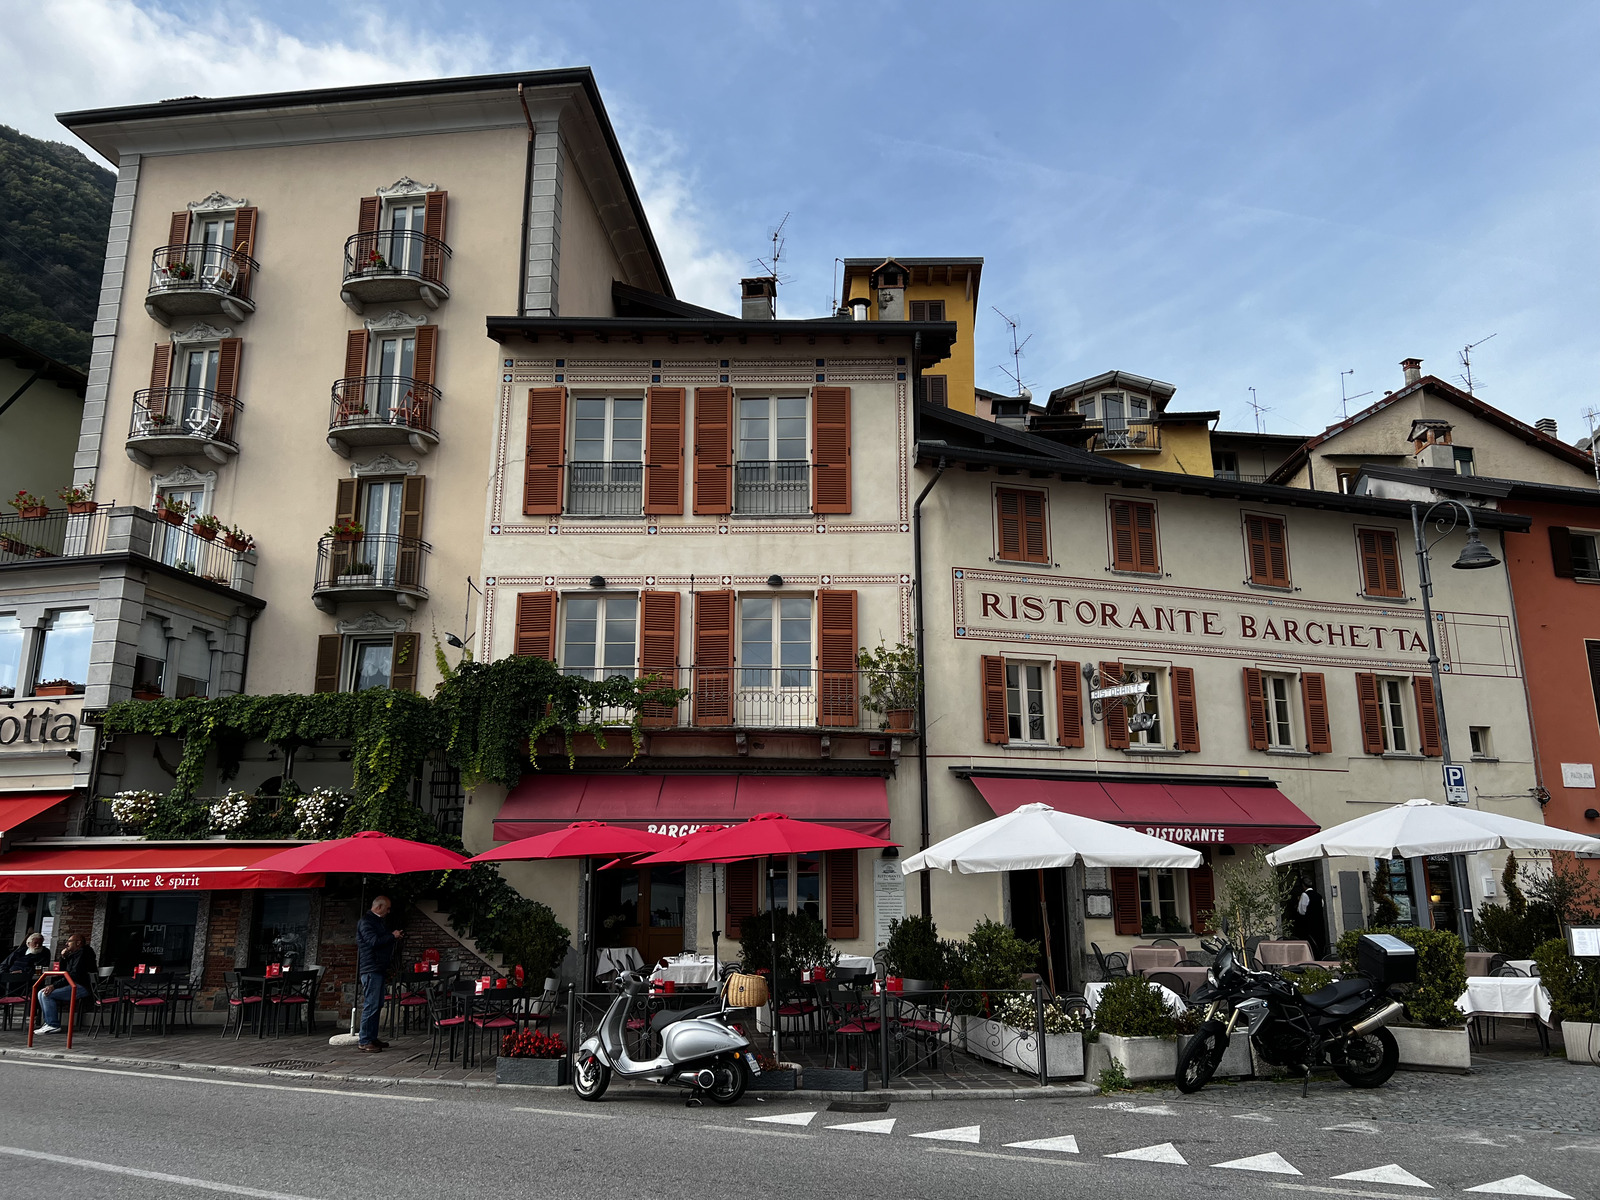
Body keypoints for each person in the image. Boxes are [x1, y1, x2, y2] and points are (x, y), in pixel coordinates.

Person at [356, 895, 403, 1053]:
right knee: (371, 1004)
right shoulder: (366, 922)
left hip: (378, 967)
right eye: (387, 908)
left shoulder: (376, 922)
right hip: (371, 968)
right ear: (379, 907)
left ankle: (372, 1037)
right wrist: (392, 936)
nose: (389, 912)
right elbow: (373, 941)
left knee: (377, 1004)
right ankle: (365, 1040)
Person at [33, 933, 96, 1034]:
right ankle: (48, 1023)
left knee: (46, 994)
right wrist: (63, 957)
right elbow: (63, 972)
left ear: (78, 943)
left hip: (82, 986)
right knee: (41, 992)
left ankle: (53, 1025)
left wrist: (54, 986)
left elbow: (73, 975)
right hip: (72, 983)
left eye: (69, 941)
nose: (67, 944)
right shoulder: (74, 954)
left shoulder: (83, 953)